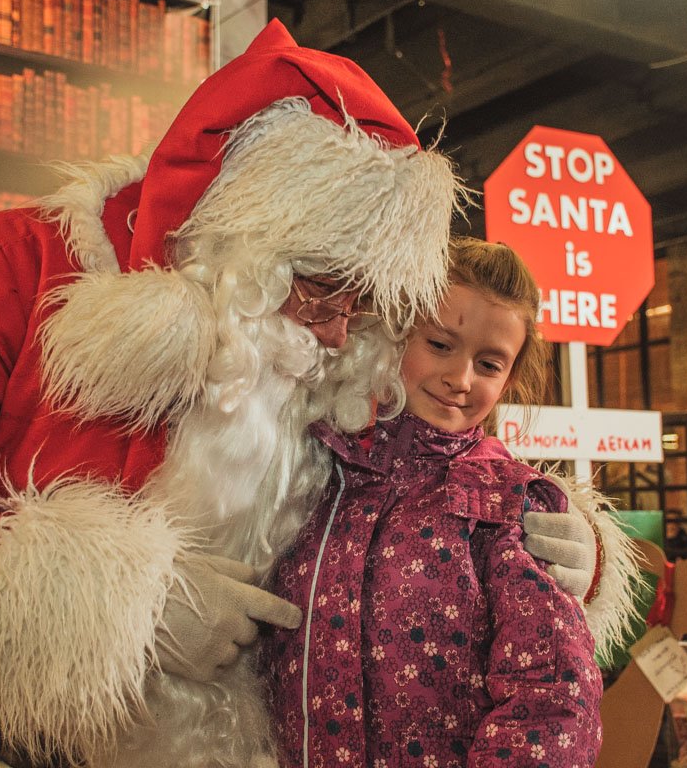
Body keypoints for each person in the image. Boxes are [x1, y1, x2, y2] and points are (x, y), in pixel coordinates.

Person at [0, 23, 623, 768]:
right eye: (324, 288)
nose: (337, 334)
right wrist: (131, 606)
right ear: (246, 239)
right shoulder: (6, 272)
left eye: (362, 304)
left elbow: (430, 484)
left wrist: (559, 539)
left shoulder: (328, 339)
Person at [263, 238, 616, 767]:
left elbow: (554, 695)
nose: (461, 378)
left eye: (490, 363)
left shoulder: (504, 505)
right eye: (441, 344)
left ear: (511, 378)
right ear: (397, 333)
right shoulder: (315, 470)